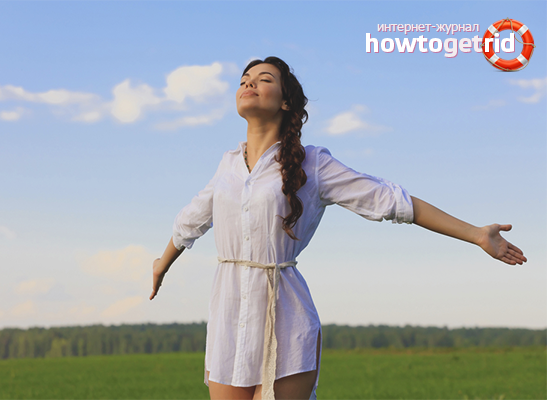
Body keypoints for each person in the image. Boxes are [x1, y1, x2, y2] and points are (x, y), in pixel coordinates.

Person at [149, 56, 527, 400]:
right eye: (245, 79)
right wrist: (161, 264)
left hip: (285, 316)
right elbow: (190, 221)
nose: (249, 83)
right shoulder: (227, 165)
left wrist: (477, 234)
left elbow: (392, 201)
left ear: (286, 102)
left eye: (264, 79)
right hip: (229, 315)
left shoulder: (313, 164)